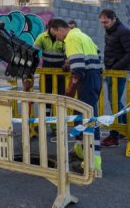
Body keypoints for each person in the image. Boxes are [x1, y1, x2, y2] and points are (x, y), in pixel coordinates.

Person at [52, 19, 102, 173]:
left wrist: (69, 92)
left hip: (86, 80)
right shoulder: (83, 36)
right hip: (94, 77)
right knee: (81, 116)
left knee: (88, 120)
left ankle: (93, 163)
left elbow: (79, 70)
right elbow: (97, 53)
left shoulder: (71, 39)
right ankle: (80, 152)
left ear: (60, 30)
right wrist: (69, 64)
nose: (57, 39)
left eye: (56, 35)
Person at [98, 9, 130, 147]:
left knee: (114, 102)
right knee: (116, 102)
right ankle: (125, 129)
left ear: (114, 19)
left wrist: (115, 68)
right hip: (111, 71)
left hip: (118, 73)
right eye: (102, 22)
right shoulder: (111, 30)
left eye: (106, 22)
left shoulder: (123, 31)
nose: (103, 25)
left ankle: (114, 136)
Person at [33, 19, 66, 94]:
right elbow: (33, 52)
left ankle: (59, 106)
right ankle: (47, 106)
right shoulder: (42, 37)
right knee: (46, 95)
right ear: (50, 28)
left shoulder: (63, 38)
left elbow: (67, 54)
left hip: (60, 71)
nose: (56, 31)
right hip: (46, 70)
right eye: (54, 29)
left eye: (57, 29)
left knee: (60, 96)